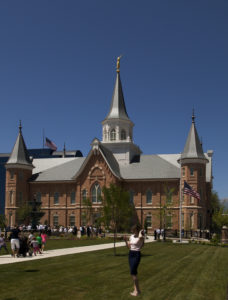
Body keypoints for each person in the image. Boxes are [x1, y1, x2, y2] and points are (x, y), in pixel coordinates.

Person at [124, 225, 145, 297]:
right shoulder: (131, 236)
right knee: (134, 273)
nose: (132, 231)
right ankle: (136, 289)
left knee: (133, 272)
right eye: (132, 230)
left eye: (134, 230)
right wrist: (125, 241)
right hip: (131, 254)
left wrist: (140, 232)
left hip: (137, 254)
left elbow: (140, 237)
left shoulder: (141, 237)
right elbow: (128, 247)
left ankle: (138, 290)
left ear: (137, 230)